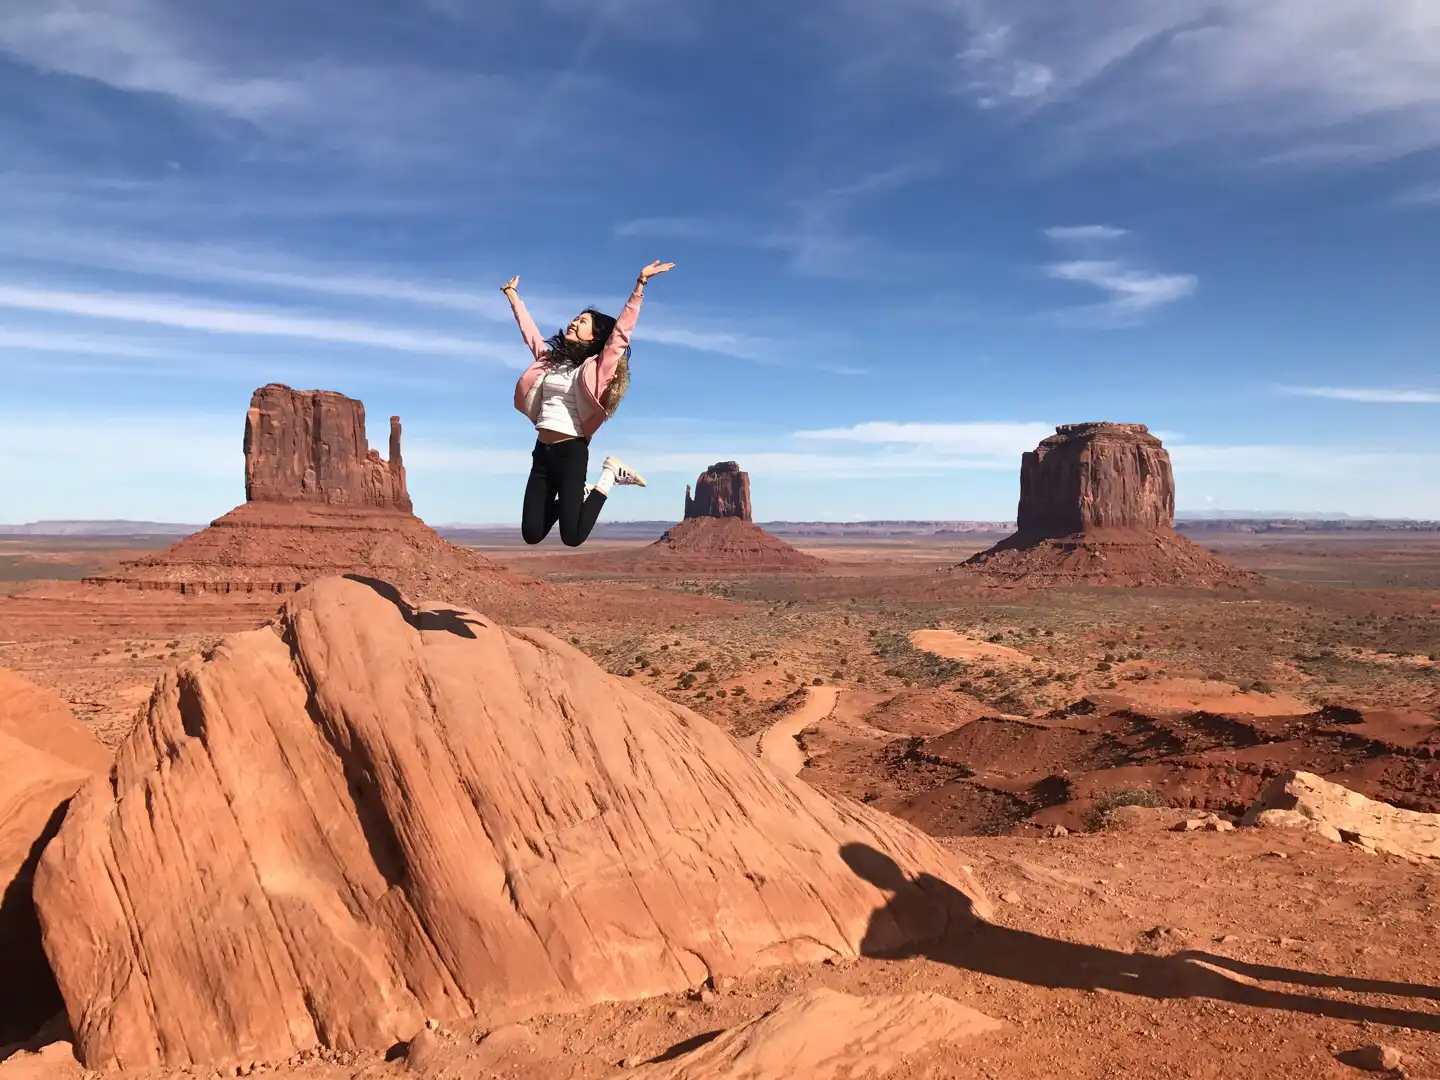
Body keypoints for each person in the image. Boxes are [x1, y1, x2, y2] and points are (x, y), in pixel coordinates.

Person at [503, 260, 674, 547]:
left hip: (571, 454)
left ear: (594, 336)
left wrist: (640, 285)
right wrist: (513, 298)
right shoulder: (549, 361)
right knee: (531, 534)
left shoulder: (597, 369)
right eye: (575, 318)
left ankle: (608, 476)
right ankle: (577, 496)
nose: (574, 322)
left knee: (572, 537)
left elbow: (620, 336)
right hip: (542, 454)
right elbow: (530, 335)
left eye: (583, 321)